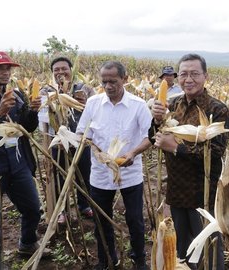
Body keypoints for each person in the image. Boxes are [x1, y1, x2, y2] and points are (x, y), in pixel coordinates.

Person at [150, 53, 229, 270]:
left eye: (194, 74)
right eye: (183, 74)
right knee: (181, 250)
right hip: (176, 191)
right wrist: (157, 121)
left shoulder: (217, 109)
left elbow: (216, 153)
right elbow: (154, 138)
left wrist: (176, 148)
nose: (188, 79)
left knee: (209, 247)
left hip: (204, 194)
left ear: (205, 76)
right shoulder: (173, 104)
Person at [76, 61, 152, 270]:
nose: (108, 86)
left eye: (113, 81)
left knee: (135, 219)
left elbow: (150, 136)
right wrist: (90, 146)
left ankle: (139, 258)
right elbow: (82, 132)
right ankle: (107, 259)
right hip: (100, 173)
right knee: (101, 219)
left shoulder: (138, 105)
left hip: (130, 172)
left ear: (125, 80)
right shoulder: (93, 104)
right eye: (104, 82)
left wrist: (133, 152)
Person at [0, 51, 50, 257]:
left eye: (7, 68)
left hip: (18, 162)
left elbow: (27, 127)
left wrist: (33, 111)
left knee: (32, 208)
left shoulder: (17, 95)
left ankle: (27, 243)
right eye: (0, 68)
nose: (5, 72)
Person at [38, 56, 96, 224]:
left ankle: (85, 205)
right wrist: (55, 105)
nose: (60, 72)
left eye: (64, 68)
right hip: (57, 141)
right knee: (58, 177)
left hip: (81, 139)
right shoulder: (46, 91)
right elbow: (42, 119)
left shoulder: (85, 89)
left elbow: (96, 111)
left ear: (72, 70)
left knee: (85, 174)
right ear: (52, 73)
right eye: (56, 70)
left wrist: (84, 104)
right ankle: (61, 210)